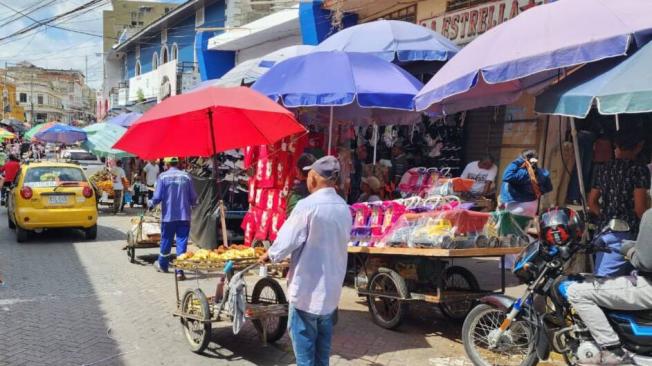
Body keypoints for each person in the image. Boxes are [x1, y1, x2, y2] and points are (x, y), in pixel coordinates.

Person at [259, 156, 352, 366]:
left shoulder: (307, 206)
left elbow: (286, 242)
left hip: (307, 293)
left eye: (310, 174)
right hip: (330, 294)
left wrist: (270, 255)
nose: (307, 179)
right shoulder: (343, 207)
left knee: (304, 357)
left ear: (316, 178)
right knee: (322, 354)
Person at [567, 208, 652, 365]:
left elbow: (646, 262)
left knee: (576, 291)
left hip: (648, 287)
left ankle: (614, 351)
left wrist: (630, 251)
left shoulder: (650, 215)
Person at [589, 130, 650, 235]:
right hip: (628, 232)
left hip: (604, 230)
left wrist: (606, 217)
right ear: (639, 146)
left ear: (616, 145)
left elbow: (592, 203)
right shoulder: (639, 170)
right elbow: (640, 209)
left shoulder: (603, 168)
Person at [150, 157, 197, 281]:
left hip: (168, 217)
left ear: (166, 164)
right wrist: (193, 204)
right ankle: (179, 271)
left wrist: (151, 204)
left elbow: (157, 197)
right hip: (184, 216)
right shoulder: (186, 176)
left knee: (166, 241)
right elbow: (193, 198)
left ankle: (163, 265)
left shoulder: (162, 177)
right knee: (182, 243)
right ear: (178, 163)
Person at [500, 150, 553, 217]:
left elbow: (506, 176)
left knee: (513, 227)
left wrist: (517, 162)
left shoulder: (521, 173)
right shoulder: (543, 172)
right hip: (532, 205)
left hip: (516, 206)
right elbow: (549, 188)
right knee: (524, 227)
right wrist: (536, 191)